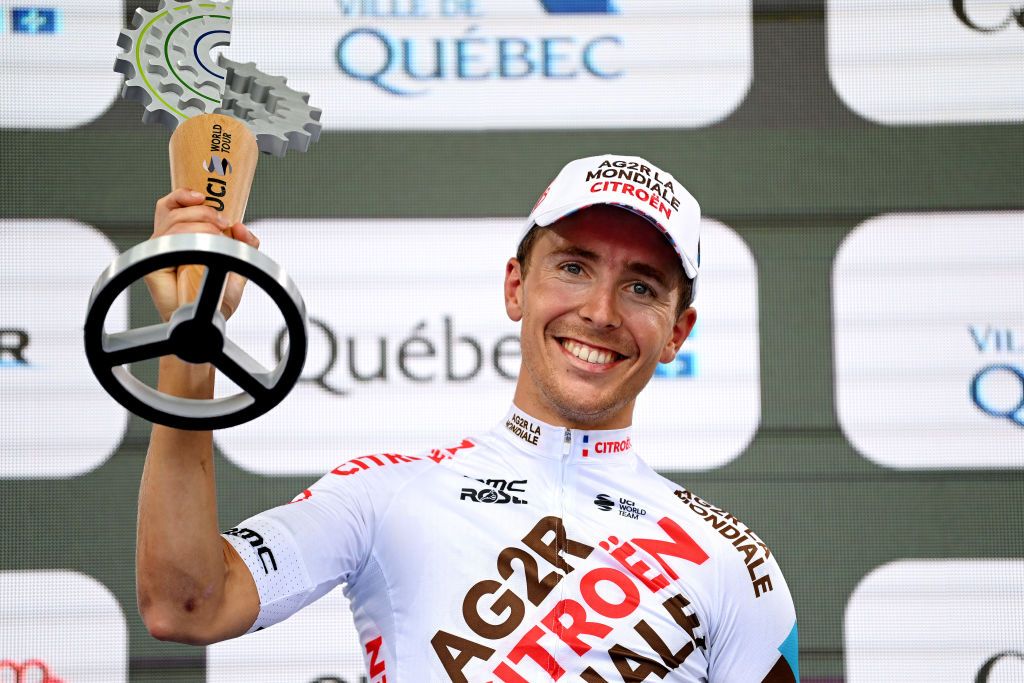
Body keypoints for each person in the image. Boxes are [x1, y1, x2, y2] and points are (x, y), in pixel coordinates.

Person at [136, 154, 799, 682]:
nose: (600, 310)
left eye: (641, 286)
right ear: (517, 286)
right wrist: (191, 340)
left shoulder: (730, 560)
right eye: (573, 266)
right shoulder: (382, 495)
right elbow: (186, 602)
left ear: (678, 329)